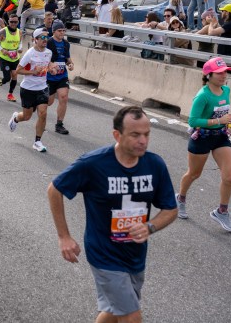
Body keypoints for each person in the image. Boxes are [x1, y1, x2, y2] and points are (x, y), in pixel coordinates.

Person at [47, 106, 177, 323]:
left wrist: (149, 226)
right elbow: (55, 189)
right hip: (104, 254)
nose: (143, 141)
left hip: (135, 255)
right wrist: (64, 237)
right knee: (132, 316)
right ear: (117, 135)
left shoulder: (154, 165)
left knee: (114, 311)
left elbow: (171, 209)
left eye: (146, 134)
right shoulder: (94, 164)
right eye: (135, 135)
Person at [176, 57, 231, 232]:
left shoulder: (226, 90)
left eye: (225, 72)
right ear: (208, 75)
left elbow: (222, 112)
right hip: (202, 137)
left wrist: (228, 124)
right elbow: (193, 120)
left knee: (229, 177)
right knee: (194, 174)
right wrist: (219, 120)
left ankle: (222, 212)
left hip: (220, 137)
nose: (223, 76)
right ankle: (180, 198)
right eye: (219, 73)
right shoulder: (203, 96)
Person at [7, 27, 57, 152]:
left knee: (43, 113)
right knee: (27, 116)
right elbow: (18, 70)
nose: (46, 40)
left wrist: (52, 68)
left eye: (47, 37)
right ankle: (16, 118)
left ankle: (37, 142)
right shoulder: (30, 53)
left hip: (42, 87)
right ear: (36, 39)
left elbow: (48, 64)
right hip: (28, 89)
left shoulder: (49, 52)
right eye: (43, 37)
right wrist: (33, 71)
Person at [47, 20, 74, 135]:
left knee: (63, 97)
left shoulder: (66, 44)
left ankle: (59, 125)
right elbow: (42, 57)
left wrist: (71, 64)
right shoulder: (48, 42)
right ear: (54, 31)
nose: (62, 33)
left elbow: (67, 58)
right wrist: (50, 66)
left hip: (62, 76)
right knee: (48, 102)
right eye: (60, 31)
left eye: (63, 30)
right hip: (49, 77)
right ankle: (41, 117)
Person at [0, 14, 22, 102]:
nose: (13, 23)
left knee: (14, 76)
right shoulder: (3, 31)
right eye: (11, 22)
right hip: (5, 58)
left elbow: (20, 42)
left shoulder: (19, 32)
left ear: (18, 22)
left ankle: (10, 94)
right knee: (7, 78)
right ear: (8, 22)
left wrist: (20, 48)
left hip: (15, 58)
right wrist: (2, 49)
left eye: (15, 22)